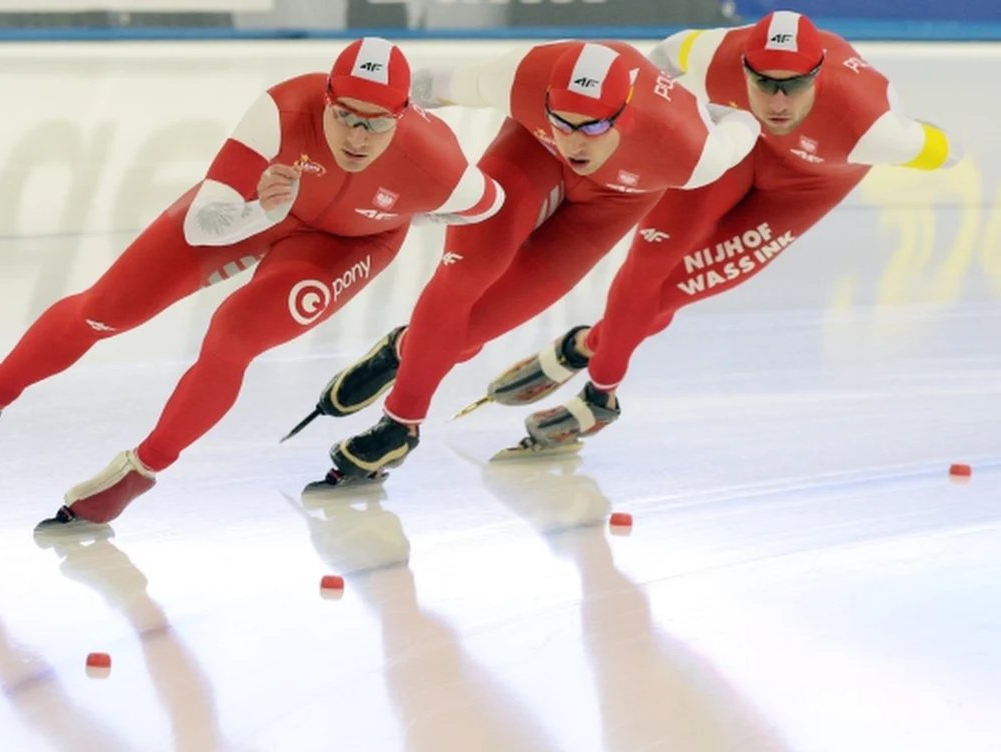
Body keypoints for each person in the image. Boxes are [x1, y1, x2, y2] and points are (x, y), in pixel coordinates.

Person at [0, 37, 505, 526]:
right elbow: (206, 227)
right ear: (326, 98)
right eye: (347, 116)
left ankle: (144, 467)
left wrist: (402, 216)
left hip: (347, 244)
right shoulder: (282, 110)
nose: (359, 136)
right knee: (106, 310)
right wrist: (263, 209)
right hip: (251, 209)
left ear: (403, 115)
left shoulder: (439, 165)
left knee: (232, 335)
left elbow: (488, 211)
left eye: (378, 121)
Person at [460, 11, 964, 456]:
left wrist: (909, 132)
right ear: (743, 66)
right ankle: (603, 389)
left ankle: (589, 363)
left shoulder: (872, 127)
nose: (778, 101)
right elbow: (656, 66)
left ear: (820, 75)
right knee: (645, 267)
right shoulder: (713, 53)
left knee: (668, 293)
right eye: (763, 82)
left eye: (794, 84)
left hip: (801, 191)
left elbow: (948, 151)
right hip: (734, 155)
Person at [291, 38, 761, 487]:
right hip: (530, 153)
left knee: (469, 331)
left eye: (594, 126)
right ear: (546, 102)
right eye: (562, 120)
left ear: (627, 114)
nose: (575, 141)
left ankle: (403, 351)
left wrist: (723, 115)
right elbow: (422, 89)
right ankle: (399, 428)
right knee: (462, 276)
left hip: (612, 203)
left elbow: (749, 125)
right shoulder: (518, 77)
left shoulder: (694, 150)